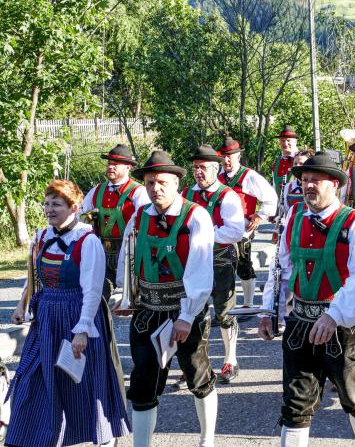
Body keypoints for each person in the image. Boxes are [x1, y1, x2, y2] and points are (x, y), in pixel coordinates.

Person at [257, 152, 355, 447]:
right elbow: (282, 268)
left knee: (354, 398)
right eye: (305, 180)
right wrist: (267, 310)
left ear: (334, 184)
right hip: (300, 322)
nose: (308, 186)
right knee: (295, 406)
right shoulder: (294, 216)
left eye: (316, 181)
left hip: (343, 325)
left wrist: (333, 315)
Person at [8, 180, 130, 447]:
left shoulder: (88, 241)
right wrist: (21, 304)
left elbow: (93, 290)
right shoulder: (41, 236)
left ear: (74, 207)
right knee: (33, 379)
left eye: (56, 204)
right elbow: (33, 277)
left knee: (85, 386)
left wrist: (82, 330)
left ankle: (104, 439)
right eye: (47, 203)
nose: (49, 210)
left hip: (78, 317)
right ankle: (34, 438)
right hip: (47, 318)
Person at [115, 151, 217, 447]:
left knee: (197, 376)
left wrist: (186, 316)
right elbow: (128, 256)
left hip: (185, 310)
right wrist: (125, 295)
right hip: (147, 310)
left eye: (161, 182)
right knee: (144, 382)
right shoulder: (139, 215)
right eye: (149, 183)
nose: (155, 188)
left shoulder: (195, 215)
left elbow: (200, 270)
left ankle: (206, 441)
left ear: (175, 183)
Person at [182, 145, 246, 383]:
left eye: (204, 168)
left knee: (224, 313)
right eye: (196, 168)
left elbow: (236, 231)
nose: (199, 172)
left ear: (215, 169)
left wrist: (203, 233)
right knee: (193, 310)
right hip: (193, 261)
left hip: (220, 258)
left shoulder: (227, 195)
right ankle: (198, 362)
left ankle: (231, 360)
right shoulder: (187, 194)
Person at [81, 144, 150, 298]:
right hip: (102, 250)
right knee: (98, 294)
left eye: (115, 164)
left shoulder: (139, 192)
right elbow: (81, 216)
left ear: (128, 167)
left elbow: (146, 222)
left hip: (128, 251)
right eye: (109, 163)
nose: (110, 167)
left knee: (134, 294)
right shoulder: (97, 190)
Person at [217, 136, 278, 309]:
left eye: (230, 156)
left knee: (243, 264)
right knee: (222, 267)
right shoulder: (217, 176)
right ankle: (225, 307)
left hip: (243, 228)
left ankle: (249, 303)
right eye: (224, 156)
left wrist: (260, 216)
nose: (226, 159)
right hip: (221, 229)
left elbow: (270, 197)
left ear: (238, 156)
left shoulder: (249, 176)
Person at [280, 150, 312, 216]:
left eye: (301, 163)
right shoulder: (288, 186)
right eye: (295, 163)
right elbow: (287, 210)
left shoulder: (312, 185)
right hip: (293, 223)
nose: (297, 166)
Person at [271, 125, 299, 197]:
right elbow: (274, 186)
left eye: (288, 140)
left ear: (295, 141)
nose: (285, 144)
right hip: (279, 206)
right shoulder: (276, 162)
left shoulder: (302, 160)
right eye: (283, 140)